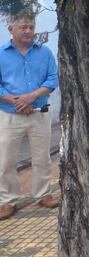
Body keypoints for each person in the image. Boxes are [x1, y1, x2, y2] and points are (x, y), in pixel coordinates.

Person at [0, 12, 59, 220]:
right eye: (23, 27)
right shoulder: (1, 54)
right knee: (6, 160)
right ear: (11, 30)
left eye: (31, 27)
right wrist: (16, 101)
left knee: (42, 157)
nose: (28, 31)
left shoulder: (45, 53)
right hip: (9, 115)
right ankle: (7, 201)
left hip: (38, 114)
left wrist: (30, 97)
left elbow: (52, 80)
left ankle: (43, 194)